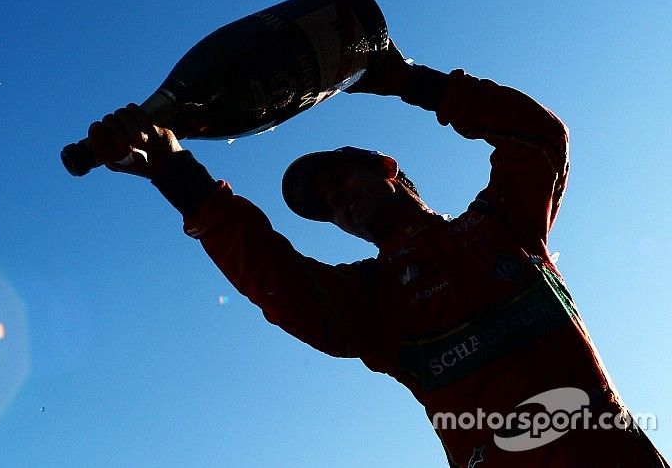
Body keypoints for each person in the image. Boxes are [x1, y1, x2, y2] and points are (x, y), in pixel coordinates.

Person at [85, 42, 669, 467]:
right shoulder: (377, 302)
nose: (340, 205)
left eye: (342, 185)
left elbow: (538, 138)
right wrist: (173, 170)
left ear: (387, 169)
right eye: (328, 208)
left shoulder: (505, 227)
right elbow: (281, 281)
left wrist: (406, 80)